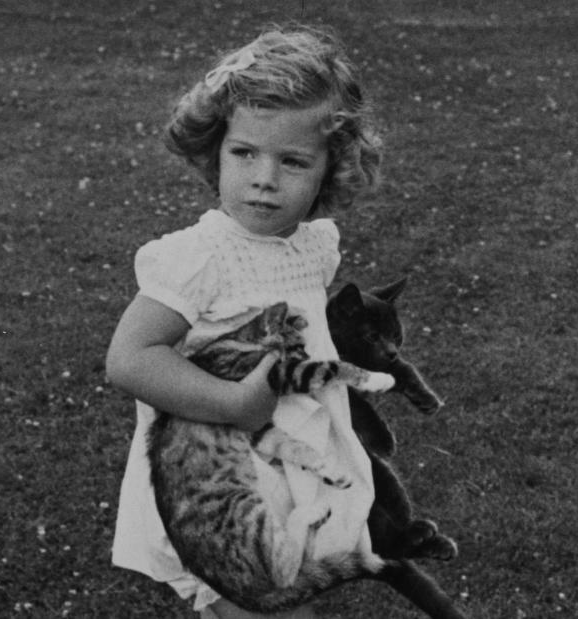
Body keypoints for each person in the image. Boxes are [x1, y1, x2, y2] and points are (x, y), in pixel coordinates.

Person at [106, 25, 383, 618]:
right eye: (245, 153)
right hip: (212, 485)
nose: (264, 178)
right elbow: (130, 359)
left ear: (330, 170)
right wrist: (234, 403)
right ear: (215, 150)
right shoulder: (199, 257)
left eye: (293, 161)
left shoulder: (314, 247)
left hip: (279, 466)